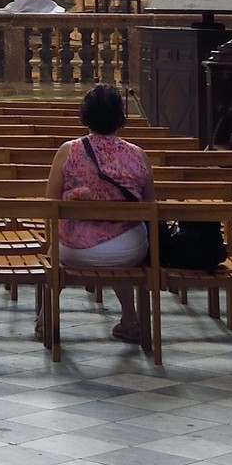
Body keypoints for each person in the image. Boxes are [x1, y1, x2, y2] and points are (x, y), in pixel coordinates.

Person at [46, 84, 156, 347]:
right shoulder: (137, 155)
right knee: (122, 234)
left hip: (76, 250)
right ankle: (130, 318)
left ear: (85, 115)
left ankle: (45, 317)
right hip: (128, 250)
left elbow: (49, 204)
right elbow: (150, 206)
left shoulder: (68, 151)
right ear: (120, 117)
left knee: (56, 242)